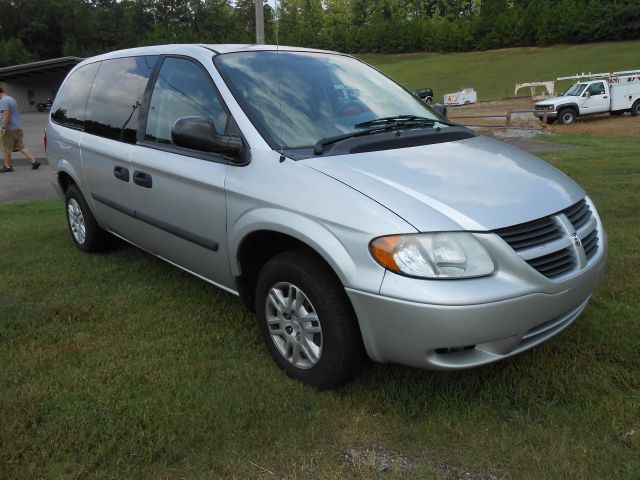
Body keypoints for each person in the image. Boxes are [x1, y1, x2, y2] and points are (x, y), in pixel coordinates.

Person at [0, 86, 40, 173]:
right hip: (17, 128)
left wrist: (3, 128)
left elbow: (6, 116)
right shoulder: (11, 99)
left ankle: (7, 166)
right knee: (20, 146)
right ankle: (34, 161)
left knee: (6, 148)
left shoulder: (3, 101)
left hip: (9, 129)